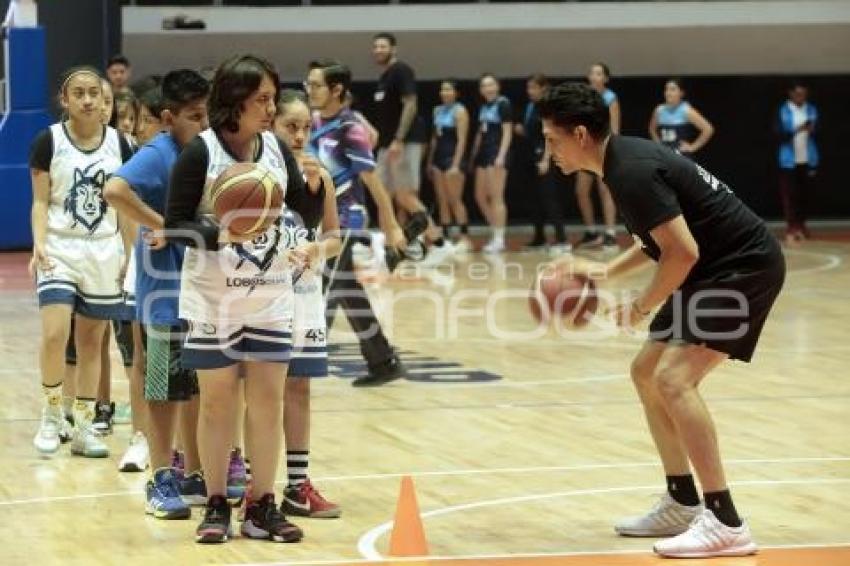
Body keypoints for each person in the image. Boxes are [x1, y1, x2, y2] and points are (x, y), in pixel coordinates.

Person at [540, 82, 785, 558]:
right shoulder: (621, 163)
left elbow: (682, 252)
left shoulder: (630, 171)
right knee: (646, 373)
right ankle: (682, 500)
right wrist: (607, 271)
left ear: (582, 135)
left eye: (553, 139)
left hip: (742, 267)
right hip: (712, 267)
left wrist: (640, 305)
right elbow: (664, 238)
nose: (549, 150)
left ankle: (726, 522)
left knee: (674, 379)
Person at [165, 54, 323, 543]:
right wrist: (220, 233)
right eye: (263, 99)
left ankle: (261, 503)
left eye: (273, 97)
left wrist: (313, 197)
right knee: (216, 405)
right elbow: (174, 226)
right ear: (234, 101)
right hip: (214, 298)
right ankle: (216, 503)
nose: (271, 108)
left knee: (267, 403)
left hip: (270, 294)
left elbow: (303, 214)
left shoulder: (274, 147)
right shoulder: (201, 153)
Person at [105, 68, 211, 519]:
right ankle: (160, 477)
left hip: (201, 289)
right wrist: (160, 223)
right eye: (194, 116)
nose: (203, 124)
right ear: (168, 118)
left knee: (198, 386)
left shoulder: (207, 151)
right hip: (163, 291)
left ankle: (196, 470)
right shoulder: (159, 152)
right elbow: (114, 188)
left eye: (208, 114)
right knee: (164, 387)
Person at [30, 66, 133, 458]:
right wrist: (39, 242)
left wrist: (129, 253)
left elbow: (125, 207)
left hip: (104, 249)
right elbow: (41, 201)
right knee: (56, 334)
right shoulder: (48, 141)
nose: (88, 99)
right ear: (65, 100)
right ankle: (52, 414)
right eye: (80, 93)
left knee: (93, 343)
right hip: (60, 246)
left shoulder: (122, 145)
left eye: (94, 92)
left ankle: (85, 425)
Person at [306, 59, 409, 388]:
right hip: (322, 219)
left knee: (329, 289)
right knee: (347, 290)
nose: (310, 90)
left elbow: (372, 178)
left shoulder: (350, 128)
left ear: (337, 90)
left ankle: (300, 362)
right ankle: (382, 360)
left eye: (317, 85)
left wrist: (390, 223)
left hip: (347, 218)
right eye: (308, 84)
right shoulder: (311, 122)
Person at [272, 89, 343, 518]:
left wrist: (317, 250)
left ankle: (298, 485)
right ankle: (242, 480)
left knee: (299, 387)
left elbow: (334, 236)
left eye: (305, 128)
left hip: (304, 294)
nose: (300, 136)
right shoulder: (256, 174)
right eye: (290, 126)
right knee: (253, 389)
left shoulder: (321, 175)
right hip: (257, 293)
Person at [370, 32, 452, 265]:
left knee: (405, 195)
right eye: (375, 47)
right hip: (387, 144)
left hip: (403, 142)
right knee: (382, 195)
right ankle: (388, 249)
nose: (378, 50)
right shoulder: (384, 77)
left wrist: (398, 138)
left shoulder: (401, 71)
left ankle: (438, 243)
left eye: (382, 46)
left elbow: (410, 104)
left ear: (393, 49)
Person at [515, 73, 568, 253]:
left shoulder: (549, 107)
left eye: (533, 87)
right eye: (528, 88)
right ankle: (539, 238)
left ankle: (562, 240)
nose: (530, 91)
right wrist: (522, 130)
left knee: (549, 199)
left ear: (544, 88)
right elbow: (534, 131)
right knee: (533, 199)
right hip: (529, 156)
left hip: (544, 156)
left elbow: (551, 135)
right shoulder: (531, 106)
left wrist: (546, 159)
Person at [575, 63, 619, 249]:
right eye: (592, 73)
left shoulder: (610, 98)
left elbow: (614, 128)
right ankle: (591, 231)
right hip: (585, 151)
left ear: (605, 78)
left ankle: (610, 233)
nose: (594, 76)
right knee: (581, 191)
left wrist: (608, 151)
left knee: (605, 191)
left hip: (603, 151)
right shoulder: (583, 97)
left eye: (599, 73)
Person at [426, 79, 471, 253]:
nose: (445, 93)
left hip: (453, 159)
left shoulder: (460, 111)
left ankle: (464, 238)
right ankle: (444, 239)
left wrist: (456, 164)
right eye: (442, 90)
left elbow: (462, 140)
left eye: (449, 89)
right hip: (438, 159)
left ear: (456, 93)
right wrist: (430, 161)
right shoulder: (437, 110)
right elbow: (435, 139)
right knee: (442, 200)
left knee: (455, 200)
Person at [469, 73, 512, 254]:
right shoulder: (484, 107)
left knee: (496, 196)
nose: (488, 88)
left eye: (491, 84)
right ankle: (496, 230)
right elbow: (481, 132)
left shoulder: (503, 103)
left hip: (496, 153)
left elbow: (507, 132)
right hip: (483, 154)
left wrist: (501, 156)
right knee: (479, 195)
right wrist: (473, 155)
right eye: (484, 86)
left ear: (497, 86)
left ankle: (499, 238)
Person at [776, 81, 818, 245]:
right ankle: (791, 227)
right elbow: (778, 132)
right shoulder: (783, 110)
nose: (802, 97)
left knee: (804, 195)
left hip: (808, 158)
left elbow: (817, 130)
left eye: (804, 94)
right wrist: (797, 129)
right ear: (791, 94)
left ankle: (802, 225)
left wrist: (812, 129)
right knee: (790, 195)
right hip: (788, 160)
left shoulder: (811, 109)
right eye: (799, 94)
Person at [649, 78, 714, 158]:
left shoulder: (686, 110)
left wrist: (693, 147)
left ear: (681, 93)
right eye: (666, 89)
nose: (668, 93)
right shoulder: (659, 110)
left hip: (681, 157)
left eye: (672, 90)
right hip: (664, 156)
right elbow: (652, 128)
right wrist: (658, 143)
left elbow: (708, 129)